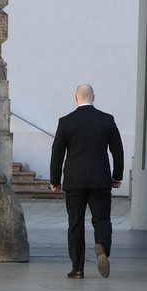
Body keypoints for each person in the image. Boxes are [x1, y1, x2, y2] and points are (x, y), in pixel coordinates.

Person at [49, 83, 124, 279]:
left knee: (75, 223)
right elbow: (117, 150)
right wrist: (117, 176)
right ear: (94, 97)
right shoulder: (107, 120)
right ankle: (102, 247)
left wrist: (55, 180)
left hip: (74, 180)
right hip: (100, 179)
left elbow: (57, 153)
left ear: (75, 98)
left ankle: (78, 268)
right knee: (102, 219)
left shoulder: (66, 122)